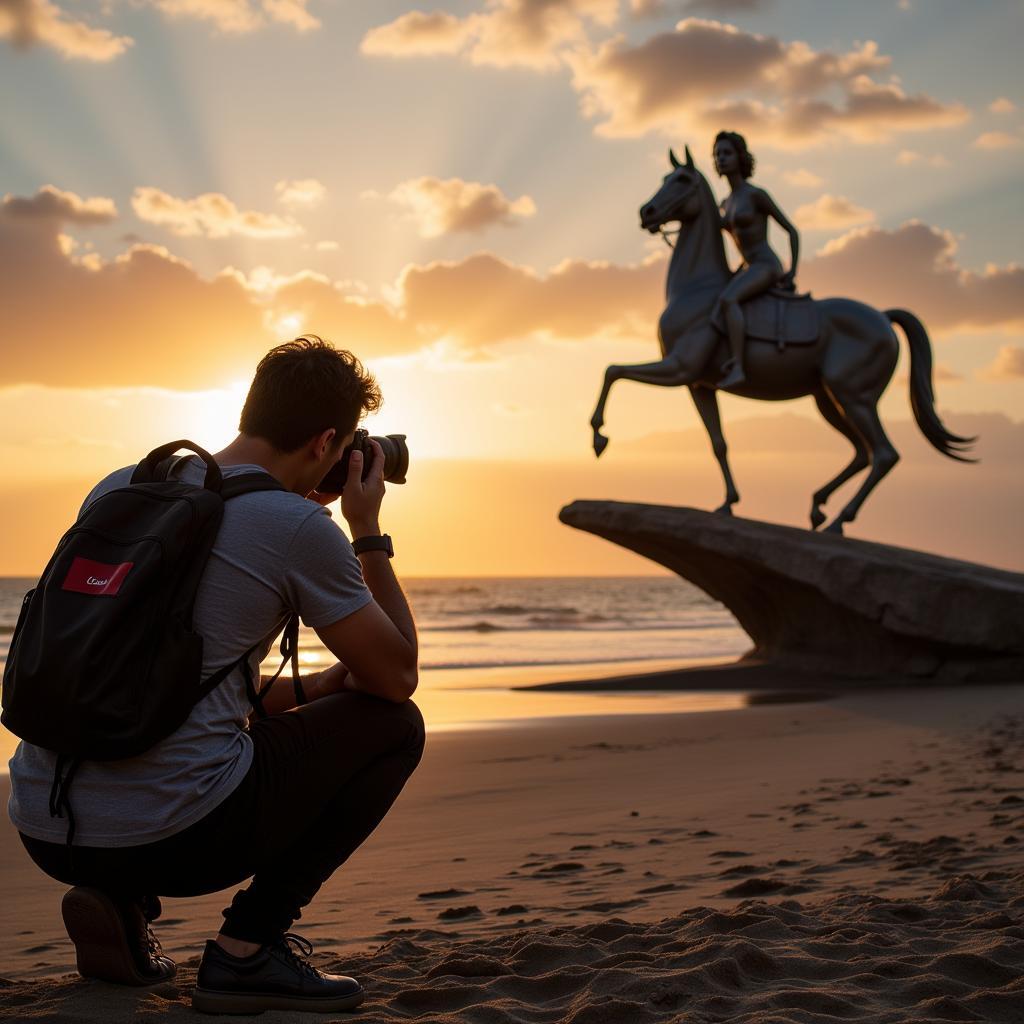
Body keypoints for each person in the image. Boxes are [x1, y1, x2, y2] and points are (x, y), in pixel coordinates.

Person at [7, 336, 424, 1015]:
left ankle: (120, 904)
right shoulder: (292, 526)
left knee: (209, 744)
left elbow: (159, 682)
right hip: (179, 840)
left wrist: (313, 690)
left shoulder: (123, 486)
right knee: (395, 728)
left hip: (44, 826)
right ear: (326, 443)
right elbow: (396, 676)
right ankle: (247, 950)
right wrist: (366, 529)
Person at [712, 130, 800, 389]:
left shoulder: (755, 195)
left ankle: (738, 366)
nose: (721, 159)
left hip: (766, 265)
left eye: (727, 153)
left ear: (740, 157)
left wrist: (792, 270)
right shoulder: (724, 203)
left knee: (729, 299)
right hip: (746, 268)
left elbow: (791, 230)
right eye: (717, 154)